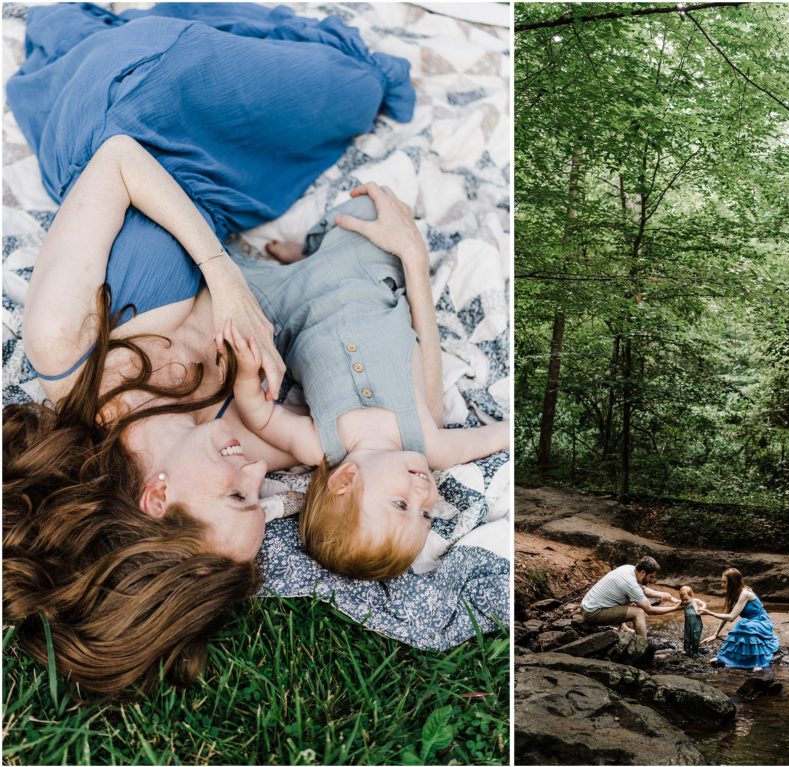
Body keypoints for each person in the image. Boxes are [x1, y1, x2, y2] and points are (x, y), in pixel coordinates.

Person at [2, 3, 414, 694]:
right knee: (357, 97)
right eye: (262, 498)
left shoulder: (65, 352)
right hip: (221, 191)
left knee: (362, 81)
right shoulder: (219, 431)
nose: (260, 479)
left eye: (237, 495)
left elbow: (118, 163)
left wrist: (224, 276)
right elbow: (357, 444)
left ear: (157, 497)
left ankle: (146, 32)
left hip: (140, 116)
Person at [217, 184, 509, 580]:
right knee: (369, 208)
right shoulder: (431, 443)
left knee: (227, 281)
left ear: (347, 479)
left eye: (401, 504)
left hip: (295, 306)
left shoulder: (318, 444)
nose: (424, 495)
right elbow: (494, 437)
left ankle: (297, 260)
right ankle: (305, 253)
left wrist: (249, 375)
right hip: (363, 281)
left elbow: (261, 416)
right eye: (424, 513)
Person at [580, 556, 681, 638]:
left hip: (587, 607)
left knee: (630, 600)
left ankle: (622, 627)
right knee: (638, 612)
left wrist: (661, 594)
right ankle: (643, 646)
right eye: (651, 577)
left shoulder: (629, 568)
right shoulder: (631, 583)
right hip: (592, 613)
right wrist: (676, 608)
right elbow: (650, 610)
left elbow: (644, 590)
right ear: (643, 573)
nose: (651, 580)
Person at [698, 568, 779, 670]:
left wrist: (709, 613)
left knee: (744, 625)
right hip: (750, 621)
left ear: (732, 583)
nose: (722, 585)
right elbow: (726, 614)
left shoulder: (745, 594)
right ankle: (722, 658)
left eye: (724, 582)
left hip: (761, 622)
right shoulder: (733, 592)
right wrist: (716, 634)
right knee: (743, 625)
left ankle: (759, 663)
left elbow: (731, 617)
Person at [679, 585, 707, 657]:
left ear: (691, 596)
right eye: (683, 600)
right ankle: (686, 650)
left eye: (686, 599)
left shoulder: (695, 601)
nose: (685, 602)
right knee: (687, 636)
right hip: (688, 624)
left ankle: (695, 652)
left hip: (697, 624)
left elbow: (704, 603)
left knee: (695, 637)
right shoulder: (683, 603)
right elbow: (676, 602)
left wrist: (702, 609)